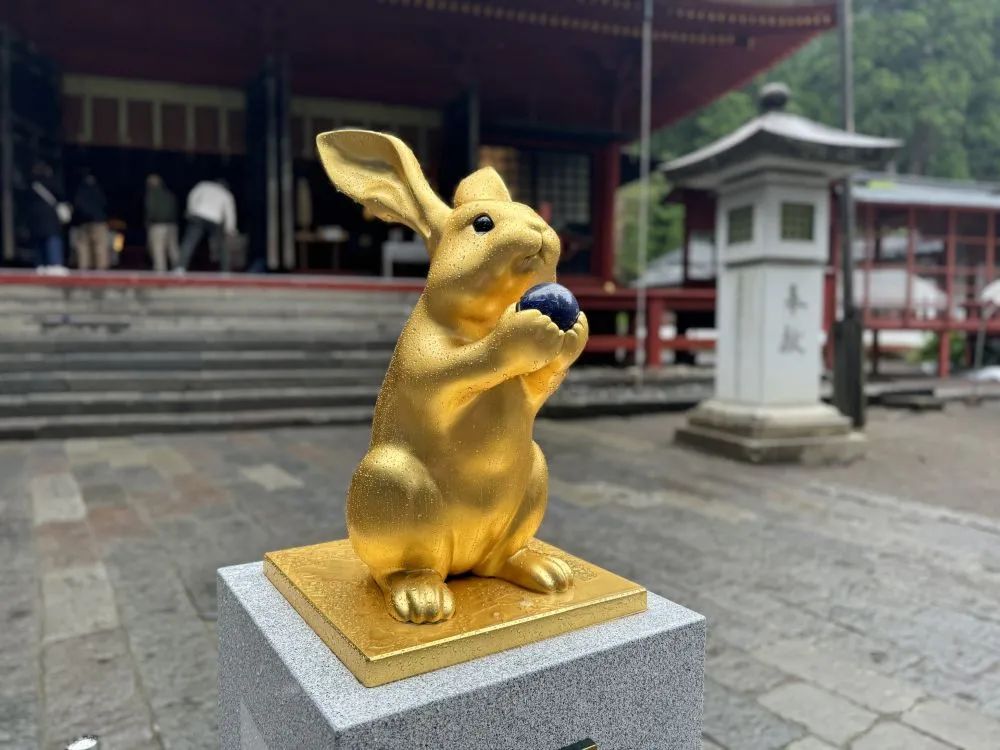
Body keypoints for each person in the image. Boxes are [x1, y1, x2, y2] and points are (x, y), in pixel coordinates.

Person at [176, 178, 237, 273]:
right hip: (215, 219)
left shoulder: (203, 185)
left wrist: (190, 210)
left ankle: (180, 267)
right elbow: (230, 213)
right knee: (221, 245)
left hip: (199, 215)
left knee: (189, 242)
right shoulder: (226, 194)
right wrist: (230, 229)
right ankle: (225, 271)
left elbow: (192, 196)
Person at [28, 162, 70, 275]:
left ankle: (40, 264)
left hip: (36, 218)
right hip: (50, 217)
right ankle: (55, 263)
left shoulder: (31, 185)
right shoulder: (52, 182)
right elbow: (60, 194)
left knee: (39, 241)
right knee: (52, 239)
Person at [71, 172, 110, 270]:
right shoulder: (99, 190)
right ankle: (101, 270)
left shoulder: (80, 191)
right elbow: (104, 203)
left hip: (83, 223)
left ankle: (84, 270)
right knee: (100, 247)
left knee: (83, 248)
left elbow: (77, 205)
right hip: (99, 221)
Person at [144, 174, 179, 272]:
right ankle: (178, 268)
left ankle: (160, 271)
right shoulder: (169, 194)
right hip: (172, 224)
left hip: (157, 225)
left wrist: (148, 223)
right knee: (173, 248)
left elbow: (150, 210)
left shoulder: (151, 194)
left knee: (158, 249)